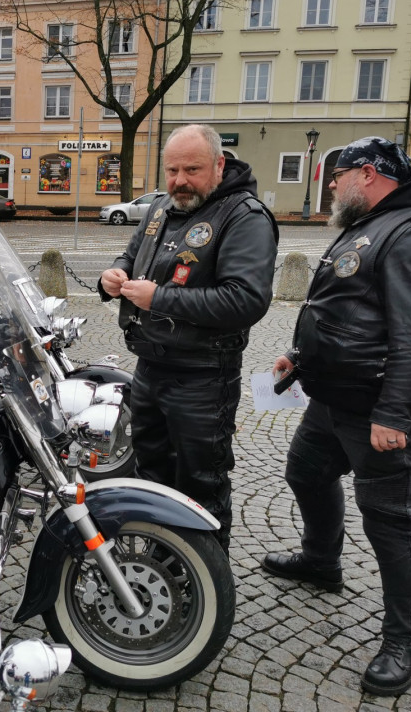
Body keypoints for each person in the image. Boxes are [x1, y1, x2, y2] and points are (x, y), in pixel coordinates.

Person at [261, 137, 411, 696]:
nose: (330, 183)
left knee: (393, 521)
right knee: (306, 471)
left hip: (379, 408)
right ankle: (321, 561)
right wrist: (300, 359)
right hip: (334, 398)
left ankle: (406, 641)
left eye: (336, 173)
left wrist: (396, 413)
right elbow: (348, 308)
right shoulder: (370, 223)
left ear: (369, 174)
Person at [98, 124, 278, 553]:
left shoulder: (243, 215)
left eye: (192, 169)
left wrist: (160, 297)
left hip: (203, 375)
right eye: (172, 169)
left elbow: (246, 300)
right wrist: (113, 275)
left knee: (201, 480)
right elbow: (133, 253)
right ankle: (164, 559)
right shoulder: (161, 206)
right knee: (151, 473)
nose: (180, 180)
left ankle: (208, 578)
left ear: (219, 164)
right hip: (151, 366)